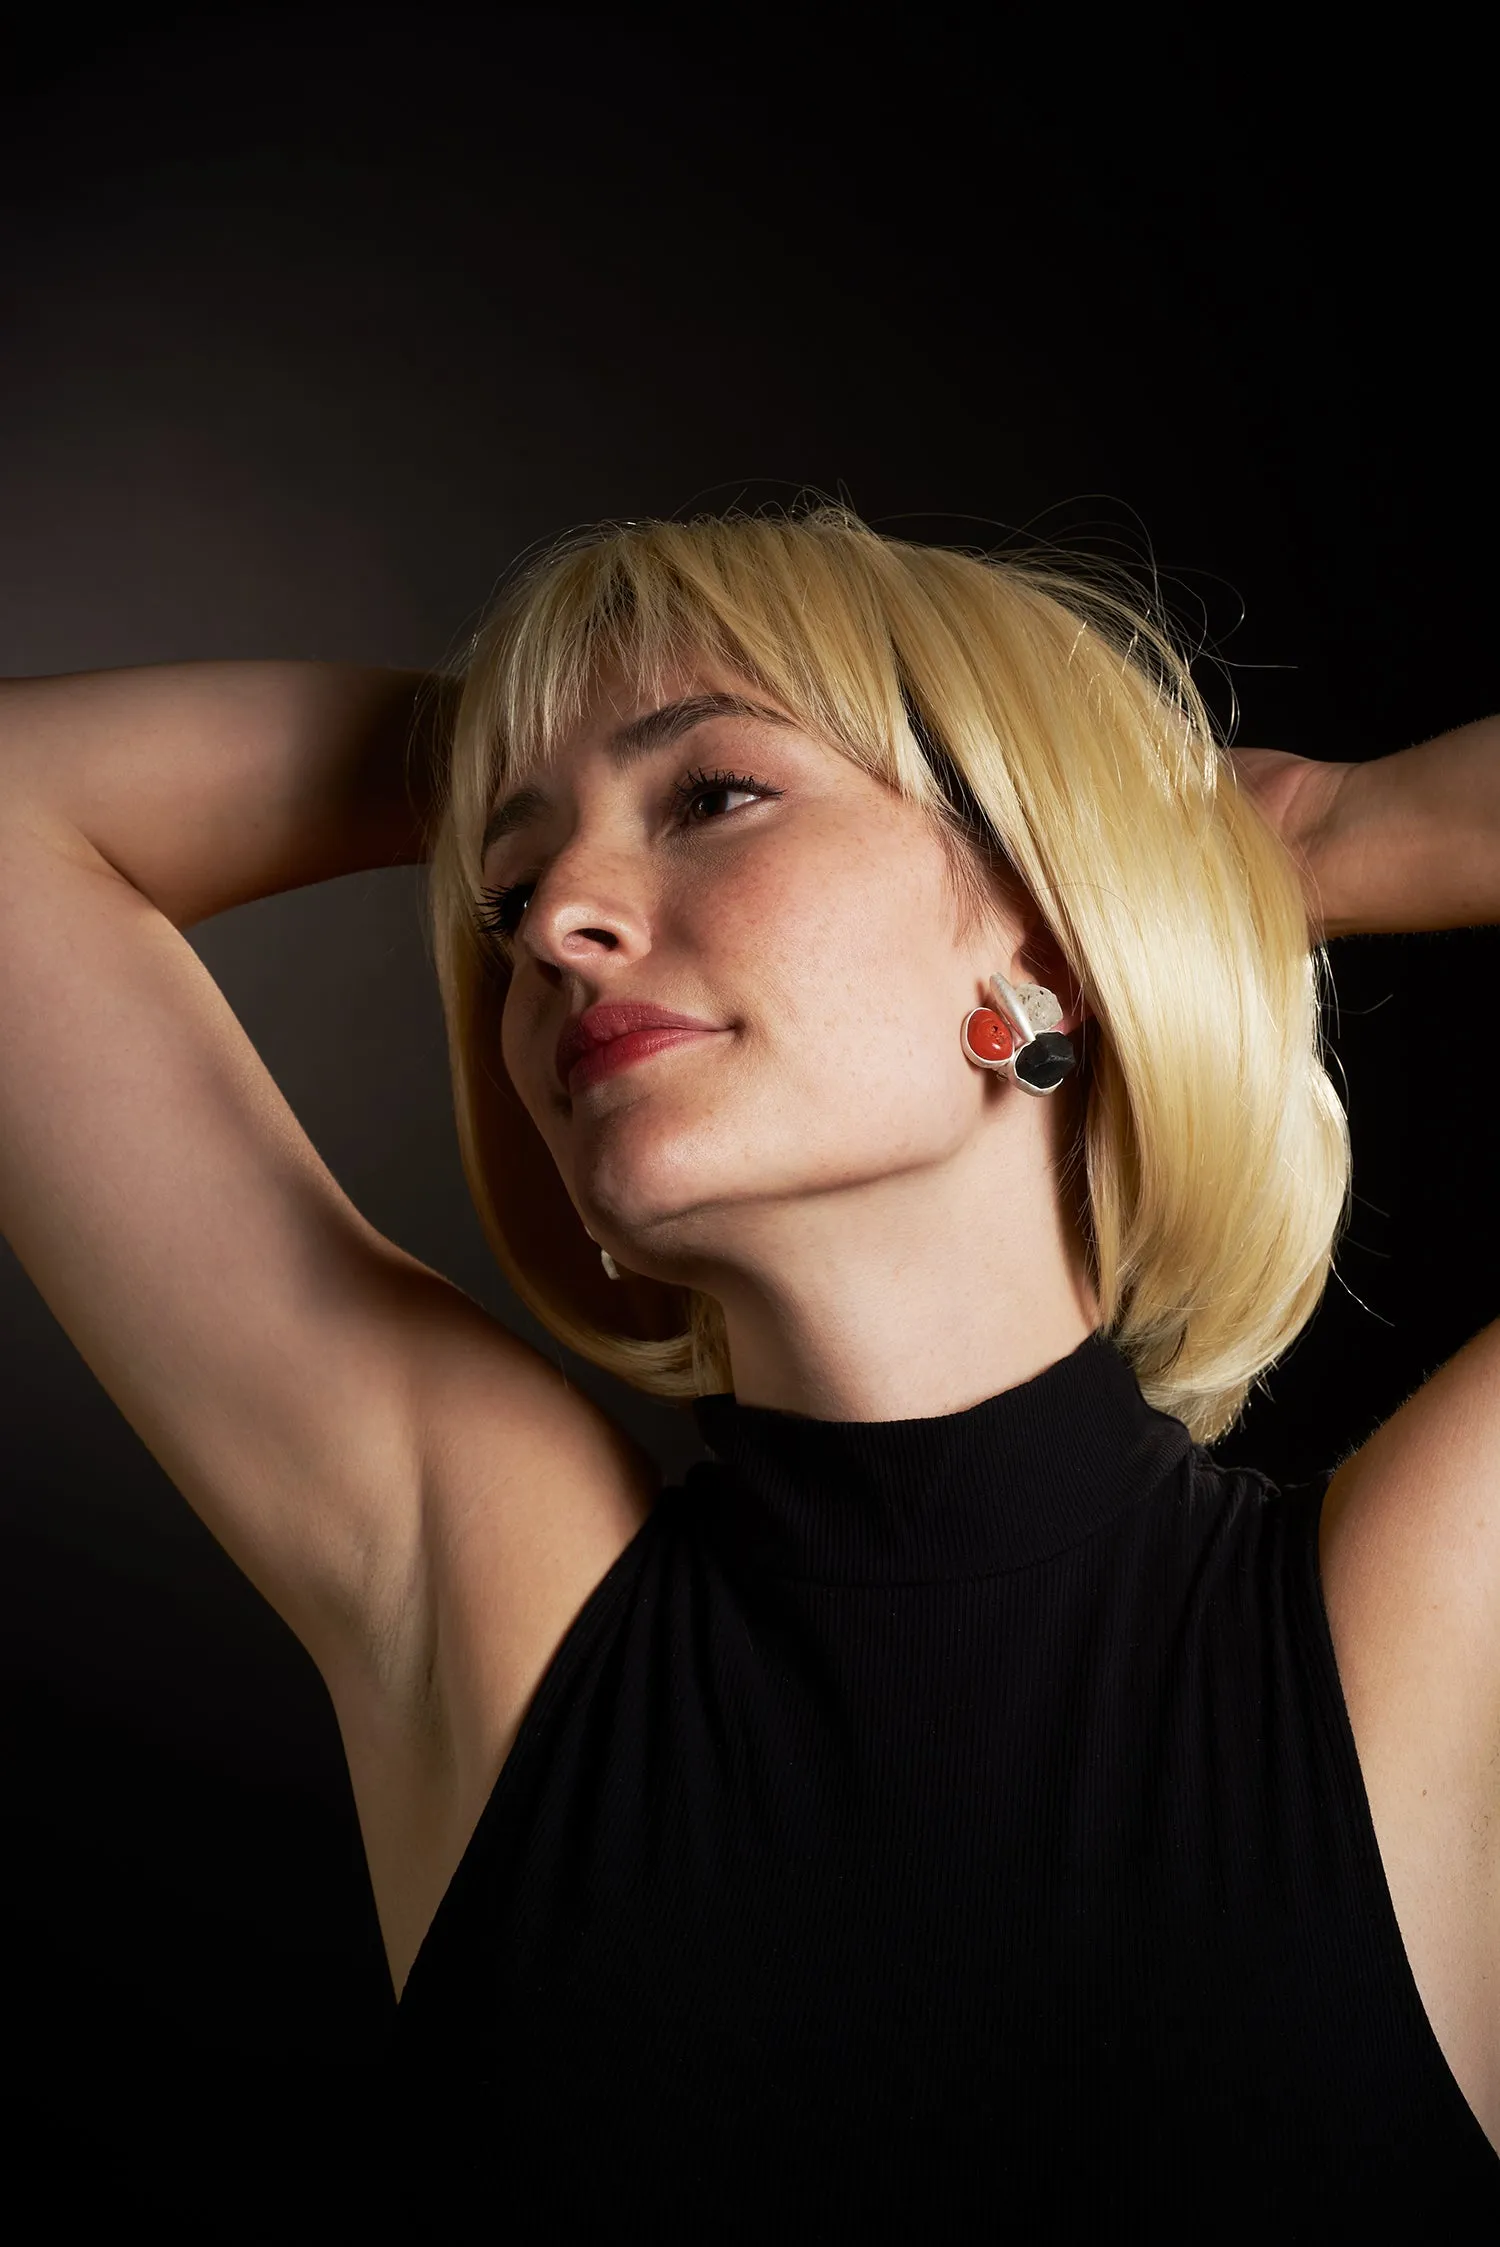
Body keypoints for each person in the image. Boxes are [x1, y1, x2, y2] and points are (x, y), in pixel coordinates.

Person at [1, 504, 1496, 2232]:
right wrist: (525, 737)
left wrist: (1309, 827)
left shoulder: (1417, 1615)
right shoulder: (503, 1597)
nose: (554, 917)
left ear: (1037, 921)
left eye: (713, 795)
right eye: (504, 890)